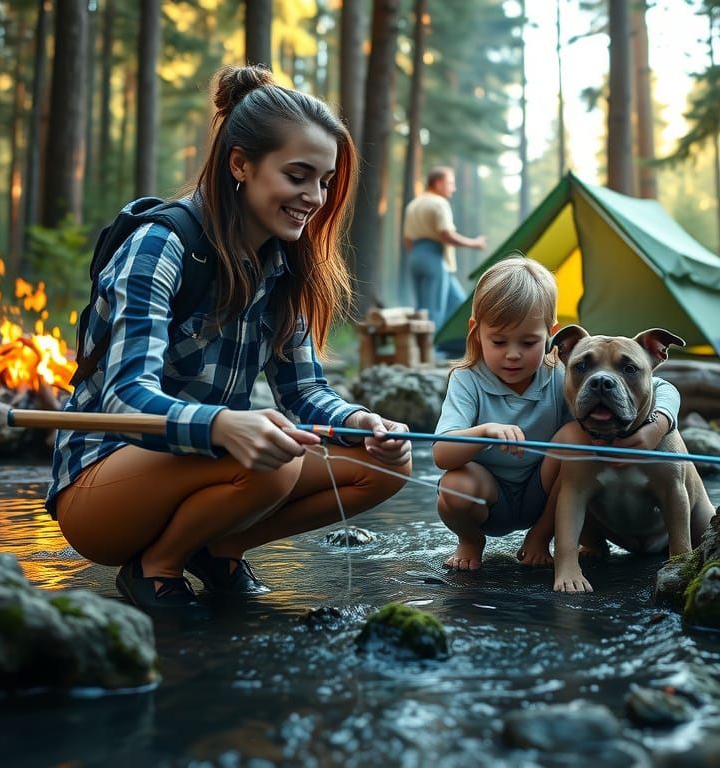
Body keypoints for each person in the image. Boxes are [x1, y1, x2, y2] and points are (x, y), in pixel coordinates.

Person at [46, 64, 412, 610]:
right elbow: (126, 397)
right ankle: (156, 567)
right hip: (101, 484)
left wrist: (358, 422)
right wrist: (221, 425)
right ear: (240, 164)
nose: (314, 197)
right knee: (274, 457)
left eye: (325, 181)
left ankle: (219, 549)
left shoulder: (287, 266)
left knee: (386, 463)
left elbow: (305, 394)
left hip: (219, 468)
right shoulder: (160, 245)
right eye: (297, 176)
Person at [432, 256, 680, 571]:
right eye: (498, 341)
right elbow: (441, 453)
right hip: (489, 497)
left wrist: (659, 424)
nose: (512, 354)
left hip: (547, 497)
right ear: (476, 331)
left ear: (552, 336)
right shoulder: (466, 380)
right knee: (454, 486)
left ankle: (539, 537)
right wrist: (483, 432)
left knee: (576, 435)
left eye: (528, 342)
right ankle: (469, 540)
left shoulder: (564, 374)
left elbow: (663, 388)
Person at [402, 166, 487, 331]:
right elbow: (446, 235)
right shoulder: (439, 203)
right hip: (434, 258)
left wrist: (418, 254)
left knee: (451, 303)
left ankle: (452, 345)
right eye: (450, 183)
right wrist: (474, 243)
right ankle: (432, 351)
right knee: (434, 310)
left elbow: (407, 239)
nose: (453, 188)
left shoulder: (413, 205)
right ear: (438, 183)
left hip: (415, 257)